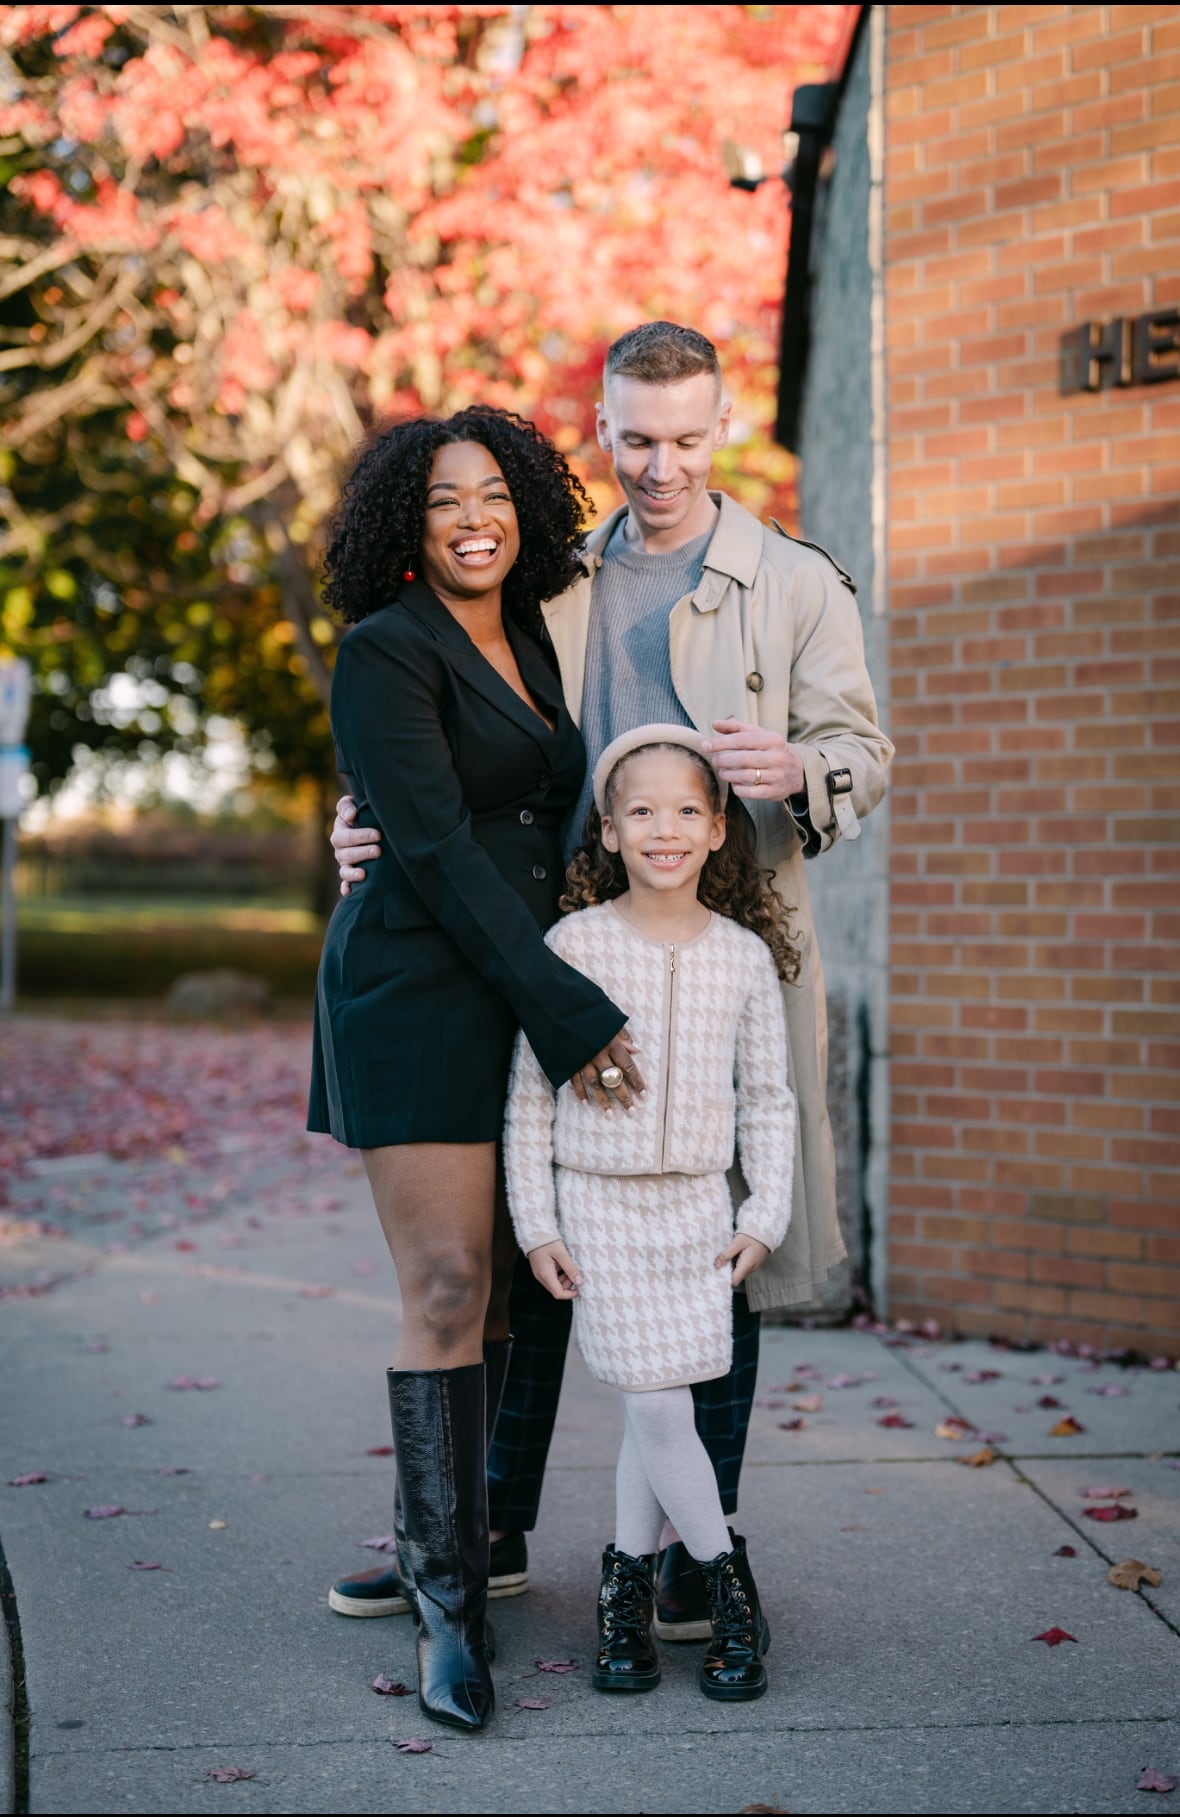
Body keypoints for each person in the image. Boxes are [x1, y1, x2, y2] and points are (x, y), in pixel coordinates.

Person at [328, 321, 894, 1640]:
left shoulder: (792, 579)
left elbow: (864, 751)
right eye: (635, 439)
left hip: (727, 934)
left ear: (722, 425)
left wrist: (801, 772)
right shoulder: (548, 576)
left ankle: (702, 1550)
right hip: (560, 940)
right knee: (539, 1245)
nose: (661, 466)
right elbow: (448, 736)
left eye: (688, 438)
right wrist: (362, 821)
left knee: (720, 1243)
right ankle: (485, 1529)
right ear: (599, 429)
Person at [308, 404, 646, 1734]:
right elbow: (438, 853)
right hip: (417, 984)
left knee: (505, 1285)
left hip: (518, 971)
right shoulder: (384, 651)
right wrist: (572, 1009)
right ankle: (448, 1612)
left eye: (495, 494)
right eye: (445, 498)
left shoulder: (538, 645)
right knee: (446, 1280)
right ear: (409, 518)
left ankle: (454, 1542)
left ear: (528, 512)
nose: (472, 518)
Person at [505, 726, 797, 1703]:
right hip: (599, 1205)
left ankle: (623, 1592)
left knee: (651, 1406)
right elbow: (530, 1096)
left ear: (717, 829)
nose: (663, 828)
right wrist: (536, 1222)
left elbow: (770, 1099)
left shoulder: (744, 959)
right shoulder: (574, 945)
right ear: (611, 830)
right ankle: (729, 1586)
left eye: (685, 810)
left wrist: (768, 1208)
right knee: (661, 1401)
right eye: (641, 810)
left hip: (698, 1213)